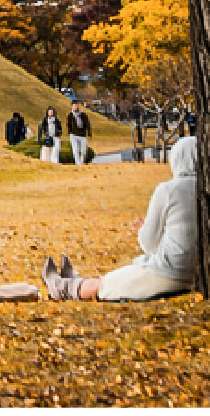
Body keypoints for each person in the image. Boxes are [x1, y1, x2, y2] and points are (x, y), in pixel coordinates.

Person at [43, 136, 198, 301]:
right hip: (197, 273)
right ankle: (73, 279)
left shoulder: (168, 190)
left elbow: (149, 244)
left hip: (169, 272)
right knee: (118, 277)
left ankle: (62, 288)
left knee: (105, 284)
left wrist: (143, 228)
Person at [66, 100, 92, 165]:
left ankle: (82, 161)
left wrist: (89, 133)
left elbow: (87, 124)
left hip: (82, 135)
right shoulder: (70, 115)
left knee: (83, 150)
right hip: (73, 135)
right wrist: (69, 131)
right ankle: (78, 163)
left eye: (77, 105)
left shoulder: (83, 115)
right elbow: (68, 124)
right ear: (72, 106)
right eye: (74, 105)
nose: (76, 107)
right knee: (75, 150)